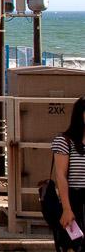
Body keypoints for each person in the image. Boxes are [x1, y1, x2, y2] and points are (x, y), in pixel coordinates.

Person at [52, 96, 85, 251]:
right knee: (74, 246)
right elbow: (61, 176)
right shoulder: (65, 141)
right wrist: (67, 209)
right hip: (75, 201)